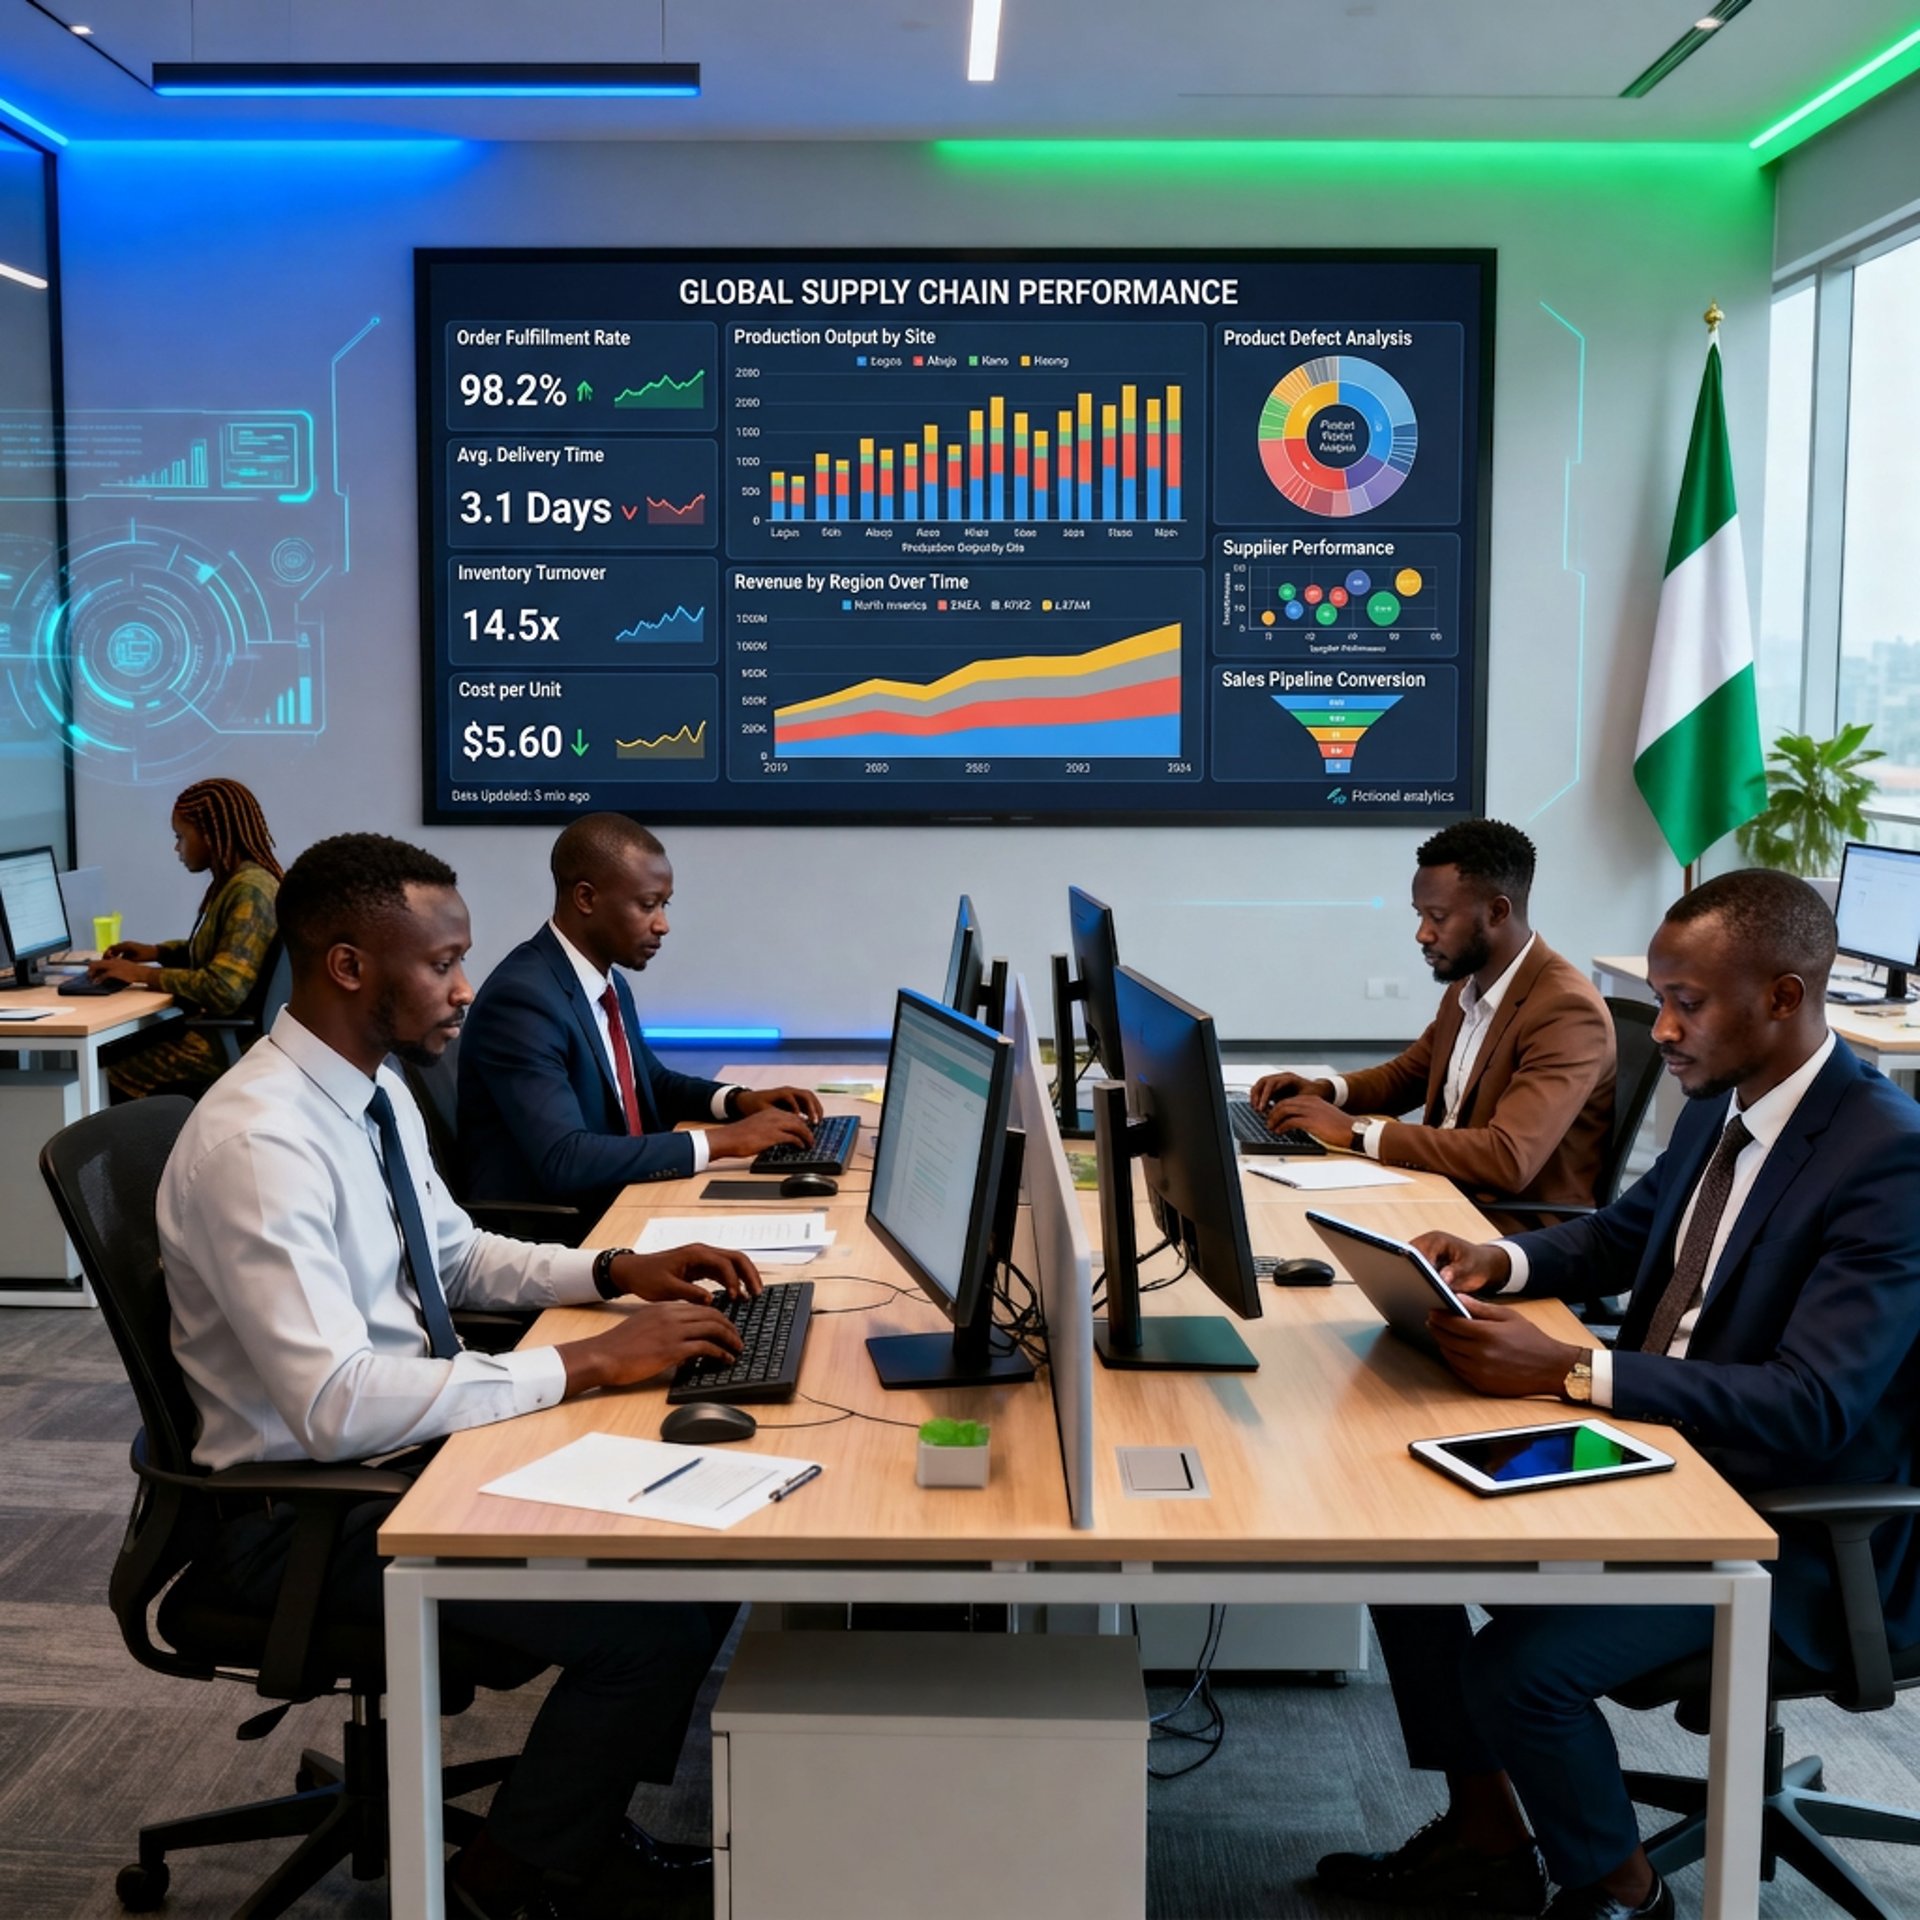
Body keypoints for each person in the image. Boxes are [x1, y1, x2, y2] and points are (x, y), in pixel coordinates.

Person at [159, 832, 762, 1919]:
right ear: (349, 967)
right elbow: (334, 1403)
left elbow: (460, 1253)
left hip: (406, 1449)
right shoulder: (260, 1144)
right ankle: (511, 1882)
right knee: (655, 1617)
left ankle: (565, 1831)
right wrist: (578, 1363)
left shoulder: (367, 1092)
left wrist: (616, 1270)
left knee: (701, 1523)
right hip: (306, 1514)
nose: (465, 986)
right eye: (442, 963)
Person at [1316, 869, 1920, 1920]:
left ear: (1784, 997)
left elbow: (1814, 1405)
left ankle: (1621, 1890)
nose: (1666, 1029)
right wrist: (1494, 1260)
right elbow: (1627, 1235)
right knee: (1395, 1540)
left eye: (1689, 1002)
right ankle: (1488, 1832)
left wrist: (1568, 1370)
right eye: (1665, 997)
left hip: (1788, 1530)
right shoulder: (1725, 1100)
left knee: (1520, 1670)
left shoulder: (1888, 1159)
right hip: (1654, 1458)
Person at [1252, 819, 1615, 1223]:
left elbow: (1509, 1159)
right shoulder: (1469, 982)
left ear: (1497, 911)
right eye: (1419, 915)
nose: (1422, 934)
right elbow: (1409, 1076)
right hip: (1442, 1192)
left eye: (1438, 917)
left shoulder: (1565, 1012)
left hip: (1507, 1230)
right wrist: (1326, 1092)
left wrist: (1357, 1133)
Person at [459, 813, 823, 1215]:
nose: (663, 924)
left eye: (664, 905)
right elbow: (565, 1159)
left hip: (623, 1200)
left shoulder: (604, 981)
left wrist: (738, 1101)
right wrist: (722, 1142)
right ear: (586, 898)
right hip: (567, 1231)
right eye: (647, 905)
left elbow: (647, 1082)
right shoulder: (522, 1001)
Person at [91, 777, 283, 1100]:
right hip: (221, 1036)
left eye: (181, 836)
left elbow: (224, 988)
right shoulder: (239, 881)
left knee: (107, 1068)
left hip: (220, 1047)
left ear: (209, 834)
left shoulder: (249, 889)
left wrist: (142, 975)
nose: (177, 848)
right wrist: (156, 952)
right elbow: (222, 951)